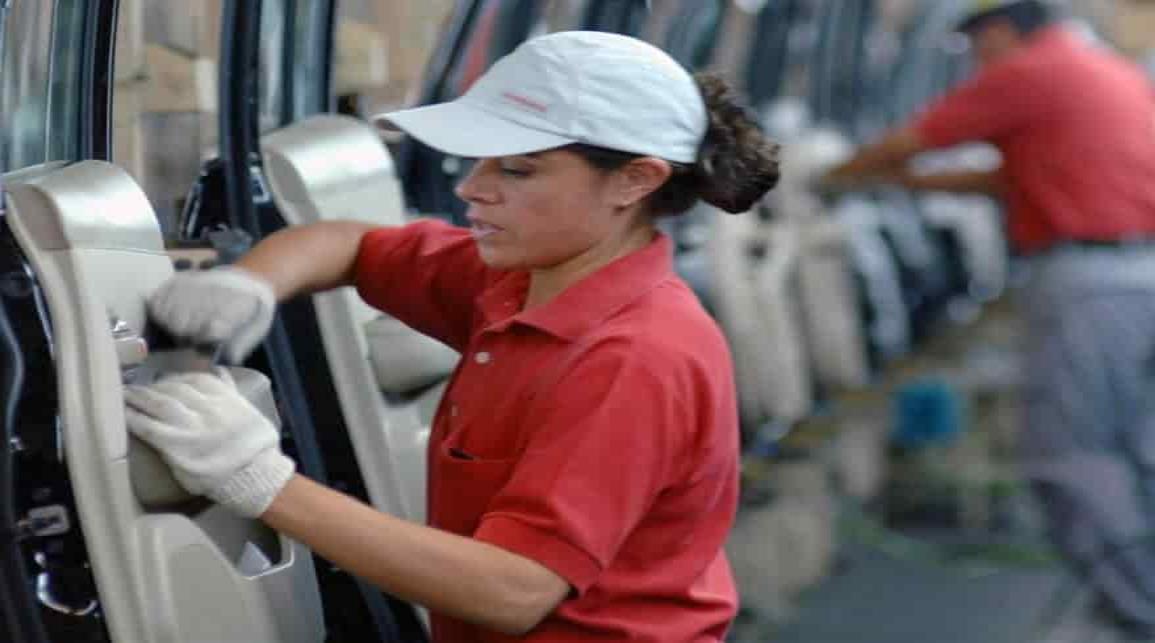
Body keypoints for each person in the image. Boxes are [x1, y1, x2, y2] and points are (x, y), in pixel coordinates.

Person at [123, 31, 780, 642]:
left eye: (517, 170)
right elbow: (349, 244)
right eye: (477, 162)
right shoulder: (524, 280)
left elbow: (513, 589)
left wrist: (261, 481)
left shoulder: (634, 357)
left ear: (635, 180)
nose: (472, 188)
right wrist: (251, 285)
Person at [822, 0, 1155, 637]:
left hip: (1090, 280)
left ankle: (1138, 610)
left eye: (977, 46)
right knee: (1136, 446)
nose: (976, 62)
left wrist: (824, 178)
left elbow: (907, 140)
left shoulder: (1029, 71)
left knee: (1072, 453)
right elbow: (1022, 175)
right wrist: (912, 188)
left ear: (1002, 30)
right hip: (1138, 272)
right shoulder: (1103, 68)